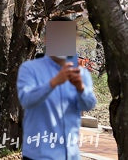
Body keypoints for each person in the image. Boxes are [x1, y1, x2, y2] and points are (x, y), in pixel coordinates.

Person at [17, 19, 97, 159]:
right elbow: (26, 100)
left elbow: (89, 105)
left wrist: (81, 88)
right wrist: (53, 83)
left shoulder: (81, 73)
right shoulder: (30, 69)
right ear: (47, 39)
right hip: (39, 154)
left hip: (70, 154)